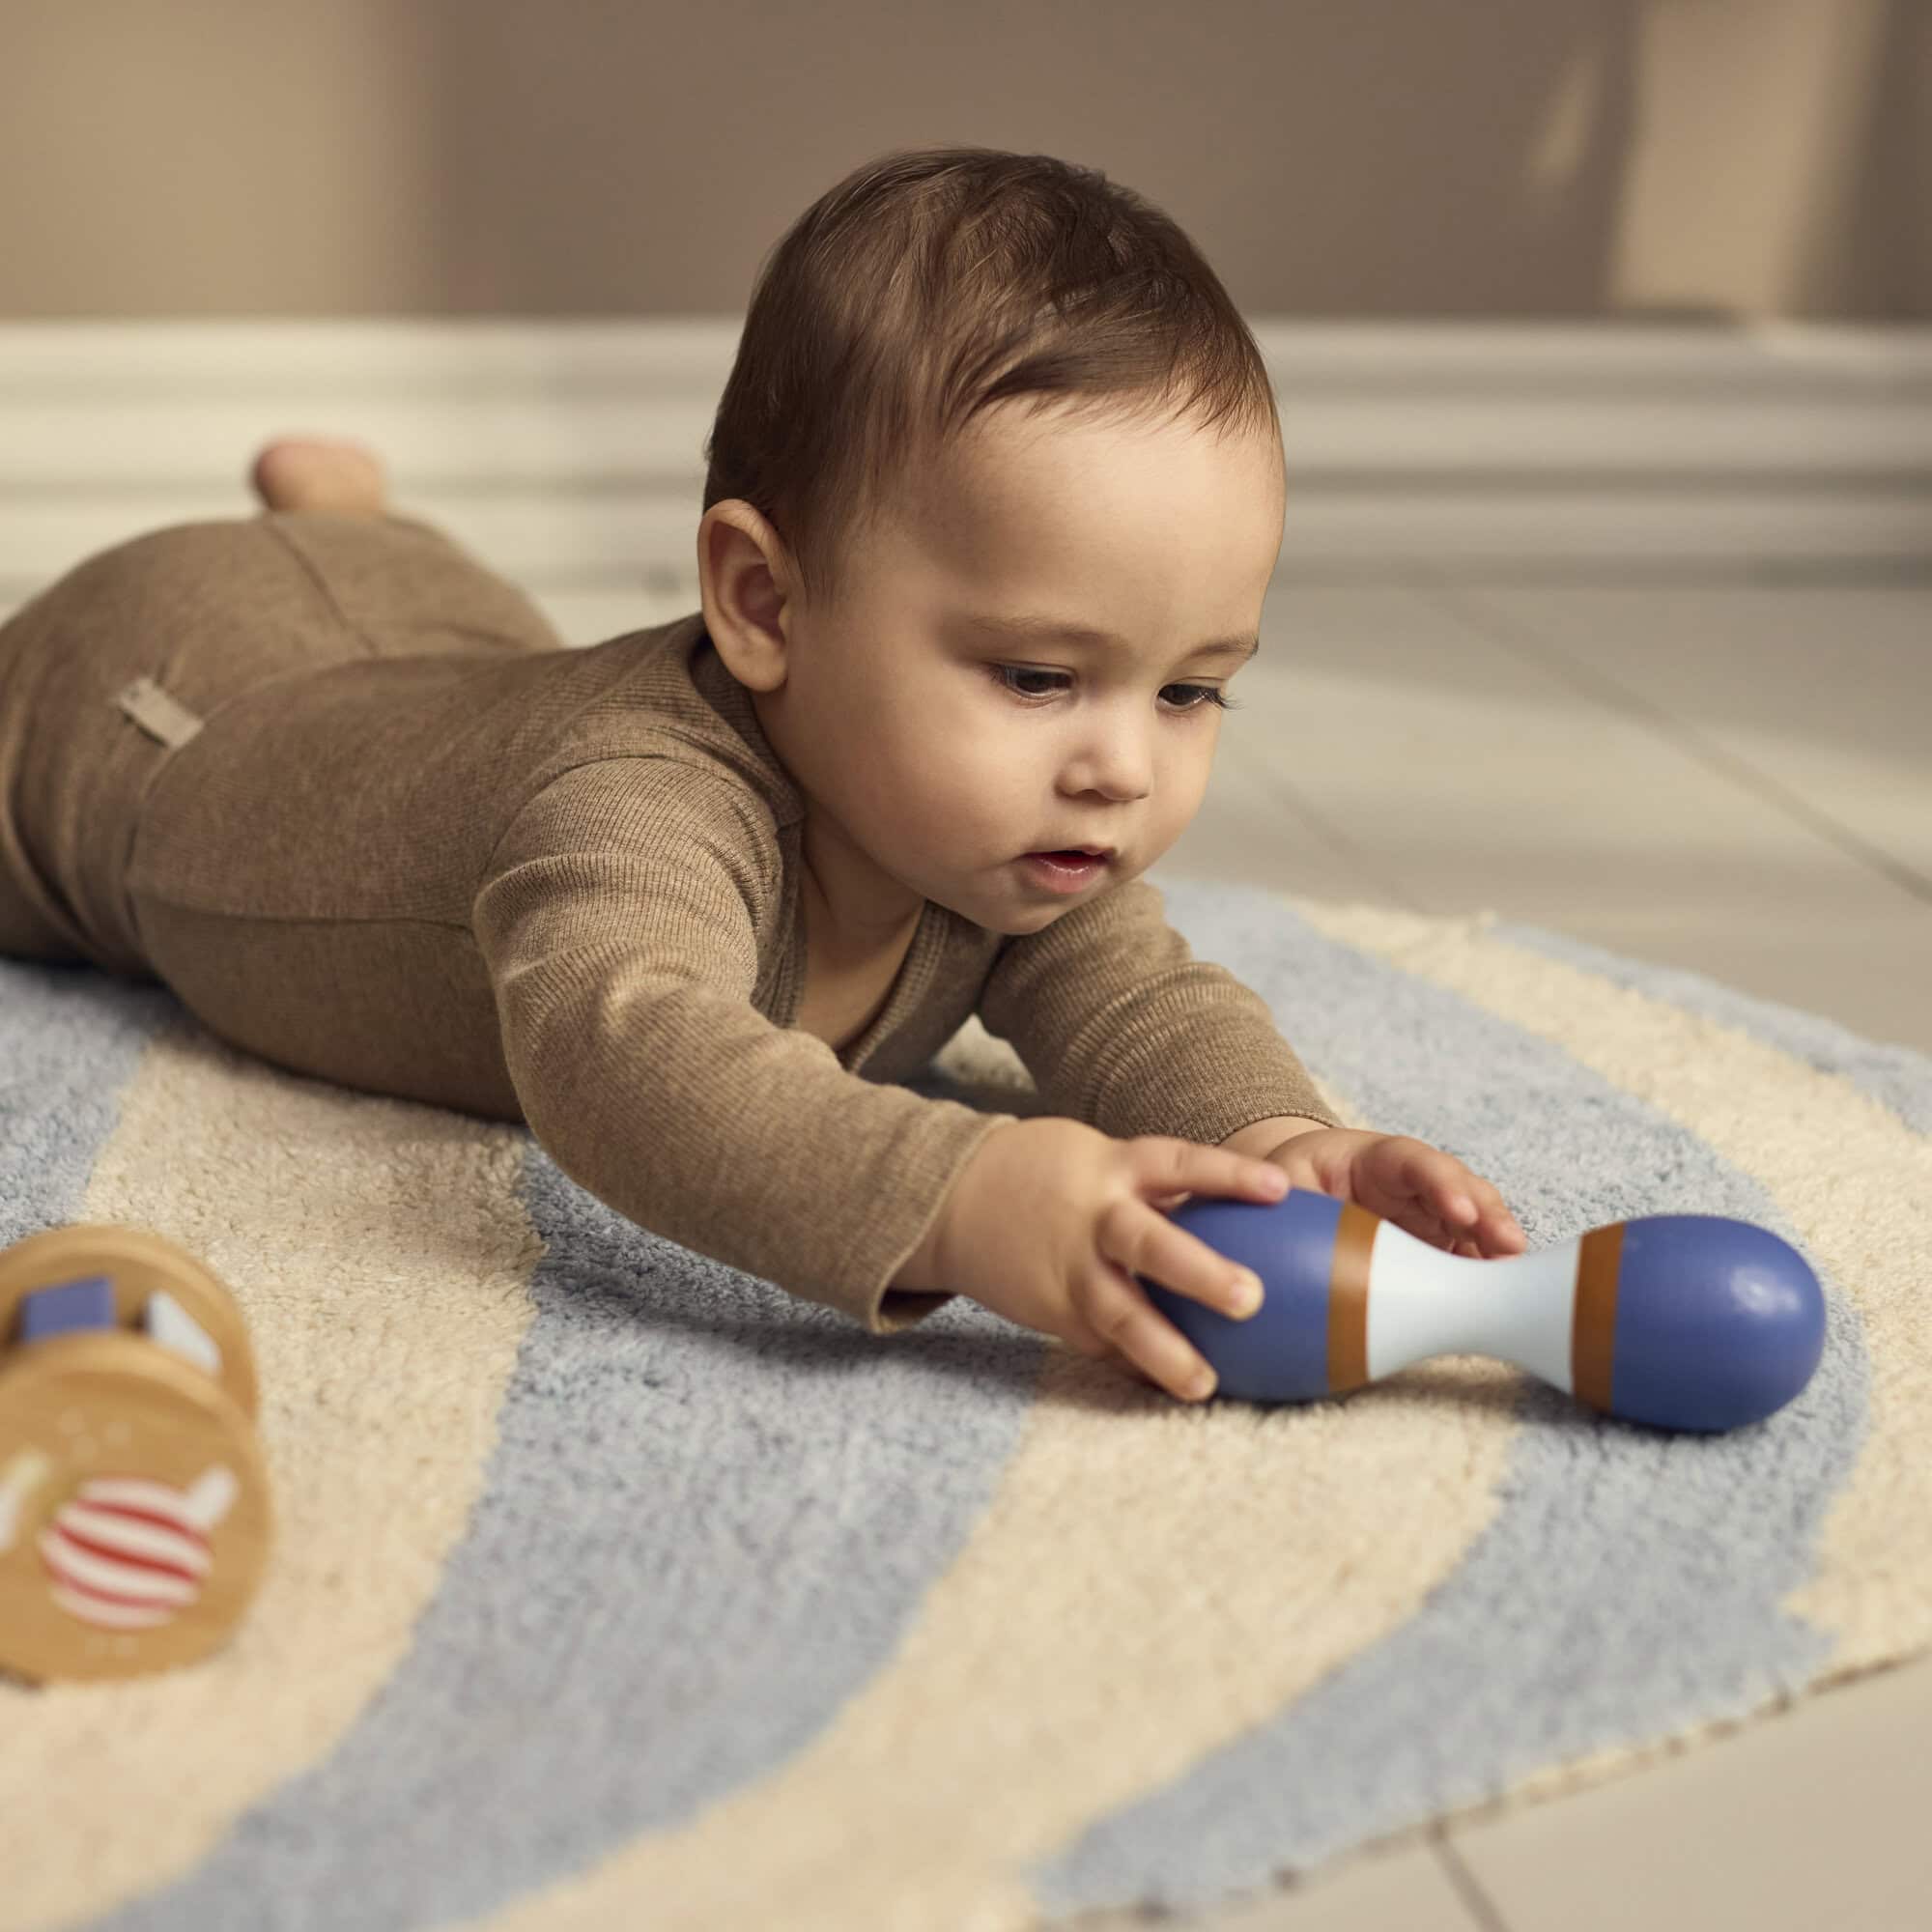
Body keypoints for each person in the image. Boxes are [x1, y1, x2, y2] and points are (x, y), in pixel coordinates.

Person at [0, 145, 1523, 1405]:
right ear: (767, 606)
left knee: (464, 637)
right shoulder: (630, 812)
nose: (1119, 767)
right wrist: (963, 1195)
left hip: (437, 673)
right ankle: (326, 538)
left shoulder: (1000, 837)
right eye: (1039, 677)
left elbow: (1141, 1000)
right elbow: (631, 1057)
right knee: (395, 682)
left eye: (1191, 689)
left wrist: (1274, 1141)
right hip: (164, 710)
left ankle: (352, 525)